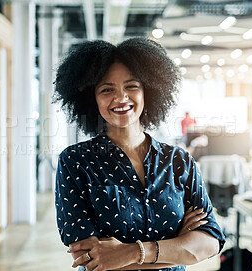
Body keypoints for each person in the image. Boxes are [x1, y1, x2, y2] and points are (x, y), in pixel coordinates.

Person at [54, 38, 225, 271]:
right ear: (91, 98)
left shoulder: (178, 161)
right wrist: (180, 248)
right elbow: (91, 260)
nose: (121, 97)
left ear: (148, 91)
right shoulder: (75, 162)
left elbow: (210, 244)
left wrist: (131, 252)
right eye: (107, 89)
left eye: (131, 86)